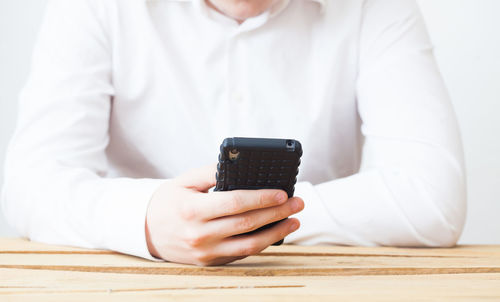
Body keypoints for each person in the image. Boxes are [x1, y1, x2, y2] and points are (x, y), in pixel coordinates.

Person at [1, 0, 466, 266]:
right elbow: (30, 184)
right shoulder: (96, 8)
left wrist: (253, 226)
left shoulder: (375, 8)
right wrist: (146, 221)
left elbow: (432, 199)